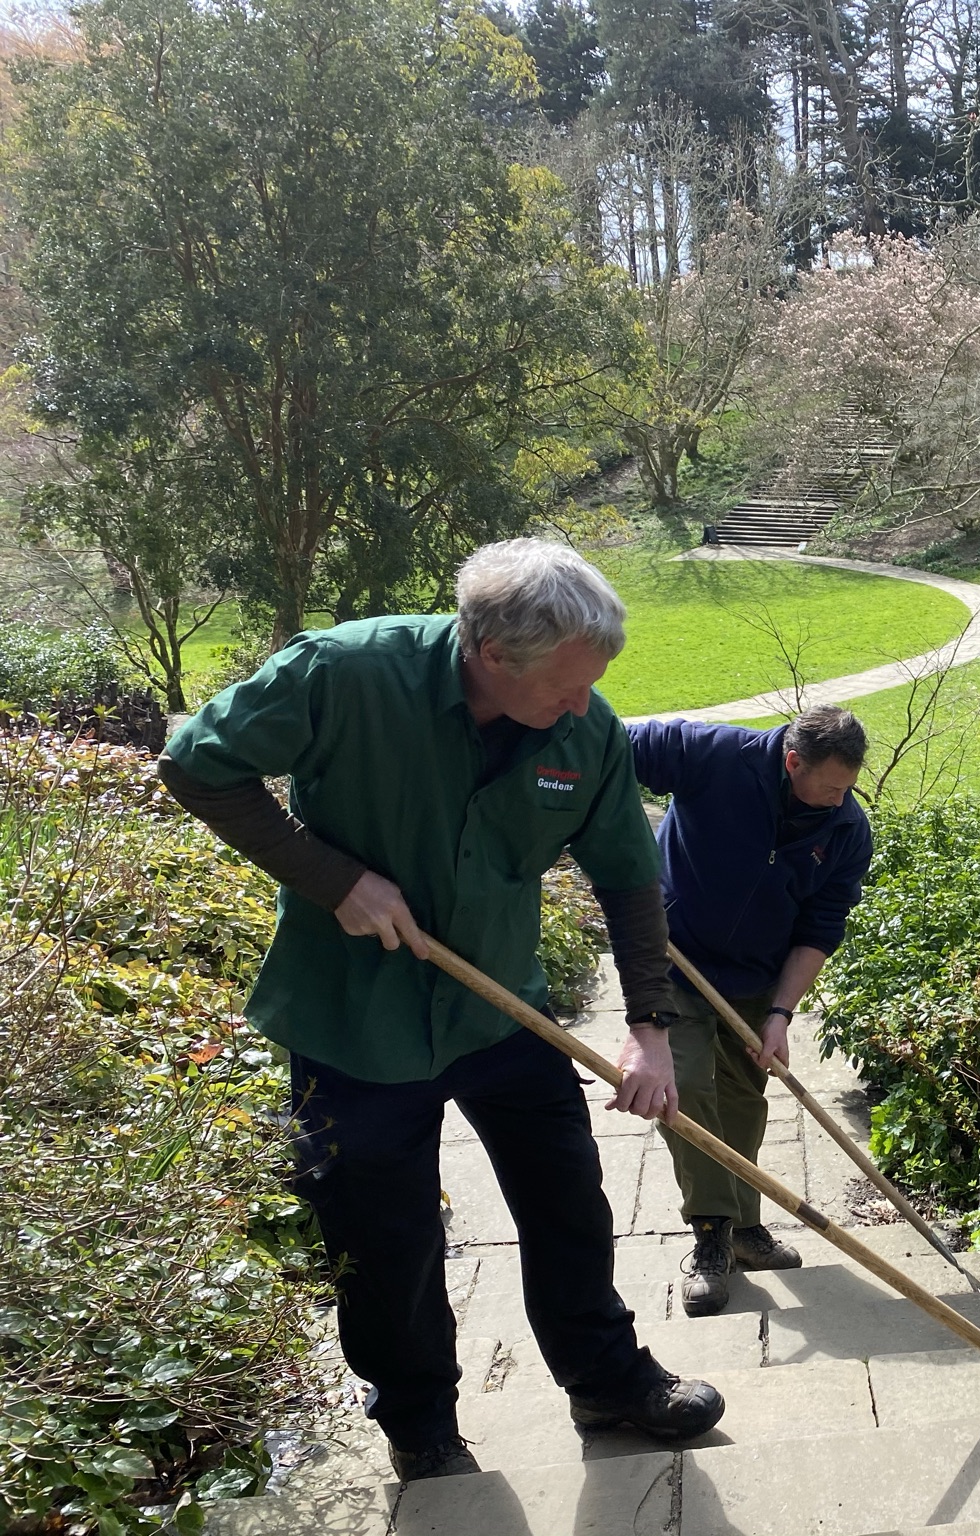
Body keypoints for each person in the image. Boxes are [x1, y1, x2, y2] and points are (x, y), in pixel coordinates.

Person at [157, 539, 723, 1483]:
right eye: (565, 688)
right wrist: (335, 880)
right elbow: (195, 765)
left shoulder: (586, 733)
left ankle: (606, 1377)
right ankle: (422, 1428)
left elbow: (630, 880)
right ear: (491, 655)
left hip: (503, 1017)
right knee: (387, 1242)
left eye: (591, 688)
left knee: (569, 1203)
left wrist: (648, 1029)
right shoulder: (342, 673)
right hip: (353, 1029)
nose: (581, 709)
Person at [628, 705, 873, 1316]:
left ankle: (744, 1229)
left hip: (757, 976)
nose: (842, 800)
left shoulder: (845, 830)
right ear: (793, 762)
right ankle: (710, 1232)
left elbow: (821, 927)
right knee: (681, 1087)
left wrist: (782, 1013)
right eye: (832, 787)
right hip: (674, 955)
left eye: (849, 787)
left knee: (742, 1096)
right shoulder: (713, 756)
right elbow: (607, 744)